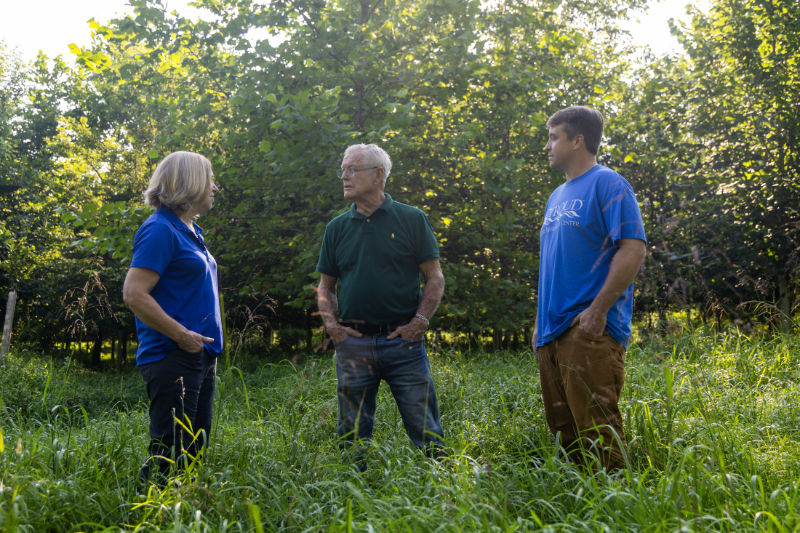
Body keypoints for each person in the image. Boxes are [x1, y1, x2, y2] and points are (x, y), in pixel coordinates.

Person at [532, 106, 647, 470]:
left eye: (553, 137)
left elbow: (633, 248)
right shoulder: (557, 196)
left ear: (577, 140)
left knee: (599, 435)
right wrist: (540, 325)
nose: (547, 146)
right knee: (564, 438)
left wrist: (598, 311)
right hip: (551, 334)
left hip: (588, 330)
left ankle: (618, 518)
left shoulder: (608, 183)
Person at [316, 143, 445, 463]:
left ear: (378, 175)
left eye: (352, 169)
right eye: (342, 169)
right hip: (354, 343)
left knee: (425, 429)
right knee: (352, 435)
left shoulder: (412, 219)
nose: (344, 176)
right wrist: (333, 328)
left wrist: (420, 322)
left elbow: (435, 278)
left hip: (404, 343)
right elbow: (325, 286)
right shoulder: (336, 228)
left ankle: (439, 488)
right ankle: (353, 495)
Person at [123, 151, 222, 485]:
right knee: (169, 453)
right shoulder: (160, 230)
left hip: (199, 357)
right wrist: (182, 335)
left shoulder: (190, 230)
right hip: (172, 355)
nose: (214, 187)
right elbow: (134, 293)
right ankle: (150, 516)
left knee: (194, 451)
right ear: (190, 181)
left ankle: (185, 514)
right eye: (209, 178)